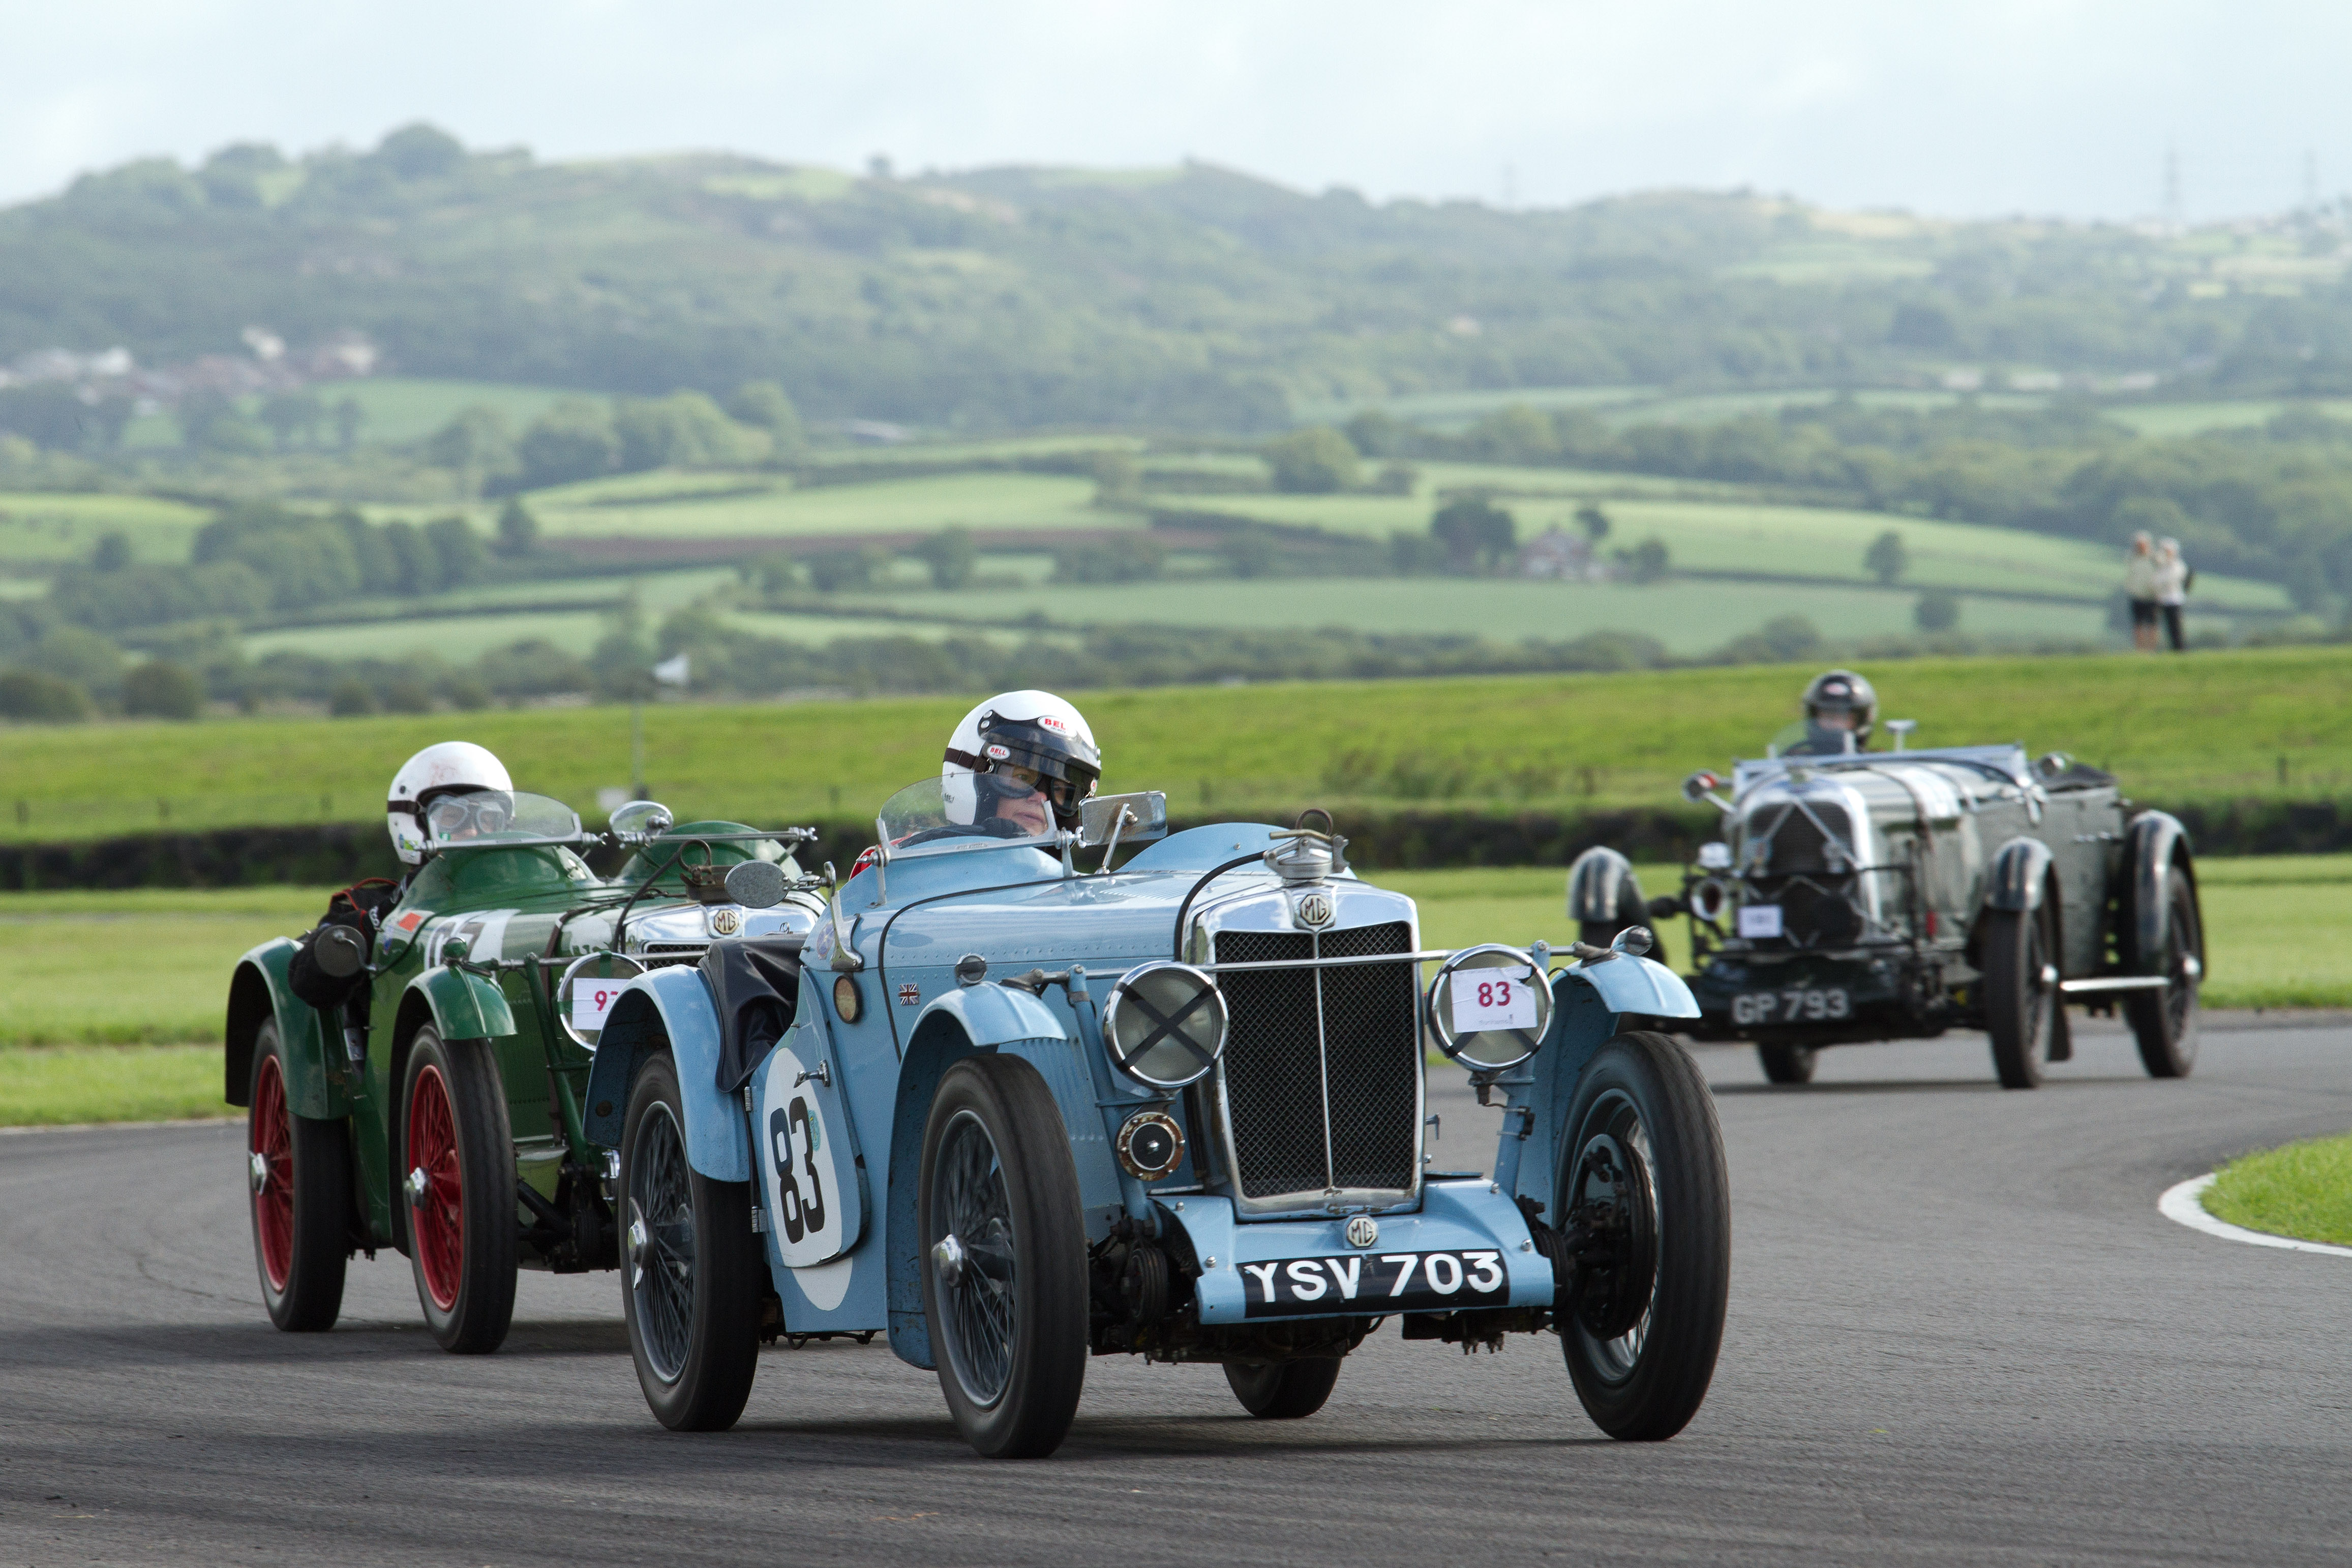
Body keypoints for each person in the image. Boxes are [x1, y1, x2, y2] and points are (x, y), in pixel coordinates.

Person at [287, 742, 515, 1062]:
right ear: (414, 824)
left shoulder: (524, 899)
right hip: (409, 1061)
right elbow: (310, 984)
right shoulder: (365, 904)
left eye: (489, 819)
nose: (474, 831)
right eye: (453, 818)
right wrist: (376, 922)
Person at [941, 690, 1101, 837]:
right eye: (1023, 777)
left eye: (1060, 789)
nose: (1041, 797)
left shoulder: (1065, 870)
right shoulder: (925, 864)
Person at [1779, 669, 1878, 757]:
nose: (1835, 724)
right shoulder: (1797, 763)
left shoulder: (1874, 764)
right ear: (1814, 717)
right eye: (1828, 716)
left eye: (1844, 718)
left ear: (1862, 720)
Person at [2124, 532, 2160, 652]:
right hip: (2137, 595)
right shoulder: (2132, 558)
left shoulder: (2154, 559)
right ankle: (2140, 651)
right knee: (2138, 625)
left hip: (2151, 596)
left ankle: (2151, 649)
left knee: (2152, 625)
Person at [2154, 537, 2191, 652]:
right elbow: (2156, 582)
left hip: (2175, 599)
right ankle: (2173, 648)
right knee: (2168, 627)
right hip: (2164, 599)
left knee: (2177, 626)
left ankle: (2180, 648)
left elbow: (2180, 579)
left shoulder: (2178, 565)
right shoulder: (2161, 566)